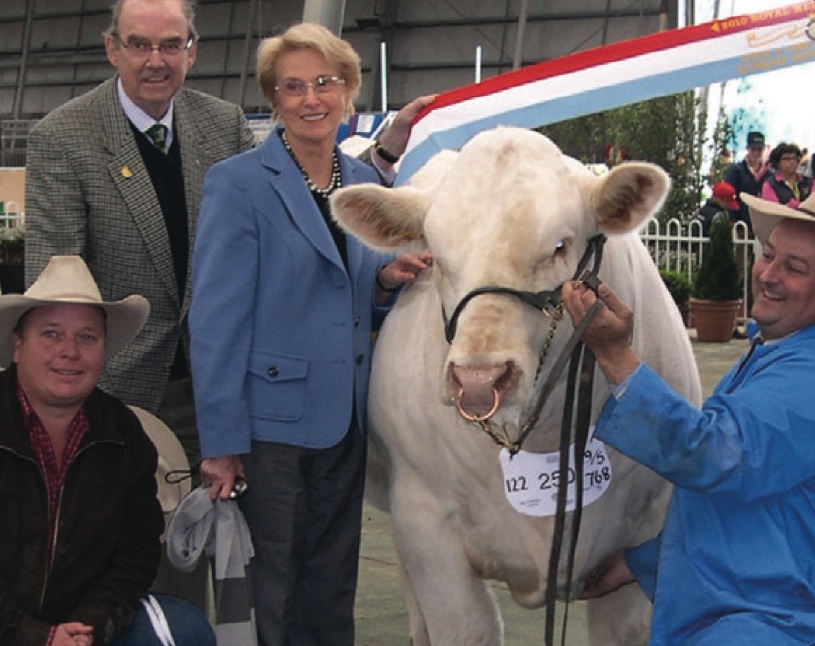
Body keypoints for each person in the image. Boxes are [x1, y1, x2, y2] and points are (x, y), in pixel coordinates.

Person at [188, 22, 433, 646]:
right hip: (269, 431)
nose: (311, 98)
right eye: (292, 86)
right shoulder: (238, 183)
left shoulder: (364, 183)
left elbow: (354, 303)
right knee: (271, 588)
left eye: (325, 83)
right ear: (275, 99)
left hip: (344, 423)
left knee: (330, 590)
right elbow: (216, 323)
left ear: (348, 91)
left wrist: (384, 283)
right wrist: (220, 442)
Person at [23, 0, 257, 609]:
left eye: (170, 45)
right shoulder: (63, 136)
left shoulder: (224, 126)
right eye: (139, 45)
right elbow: (55, 279)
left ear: (192, 49)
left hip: (216, 389)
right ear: (112, 49)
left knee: (207, 568)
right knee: (122, 570)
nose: (156, 61)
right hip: (116, 392)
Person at [560, 191, 815, 644]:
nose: (769, 275)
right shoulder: (775, 351)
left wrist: (616, 356)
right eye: (769, 255)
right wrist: (639, 563)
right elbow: (756, 508)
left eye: (795, 268)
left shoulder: (807, 373)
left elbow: (714, 454)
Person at [0, 255, 213, 646]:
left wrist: (89, 627)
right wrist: (37, 637)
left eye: (87, 337)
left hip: (81, 624)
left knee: (186, 631)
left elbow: (137, 552)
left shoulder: (123, 433)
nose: (69, 351)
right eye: (51, 334)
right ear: (17, 346)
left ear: (103, 350)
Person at [724, 130, 768, 233]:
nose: (756, 153)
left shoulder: (769, 174)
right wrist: (732, 220)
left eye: (759, 149)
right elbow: (729, 197)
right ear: (747, 148)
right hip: (741, 225)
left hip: (762, 225)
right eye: (753, 149)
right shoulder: (736, 171)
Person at [761, 142, 813, 207]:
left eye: (794, 158)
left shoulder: (809, 182)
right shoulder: (770, 185)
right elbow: (773, 212)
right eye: (786, 159)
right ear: (777, 163)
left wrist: (795, 206)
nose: (792, 162)